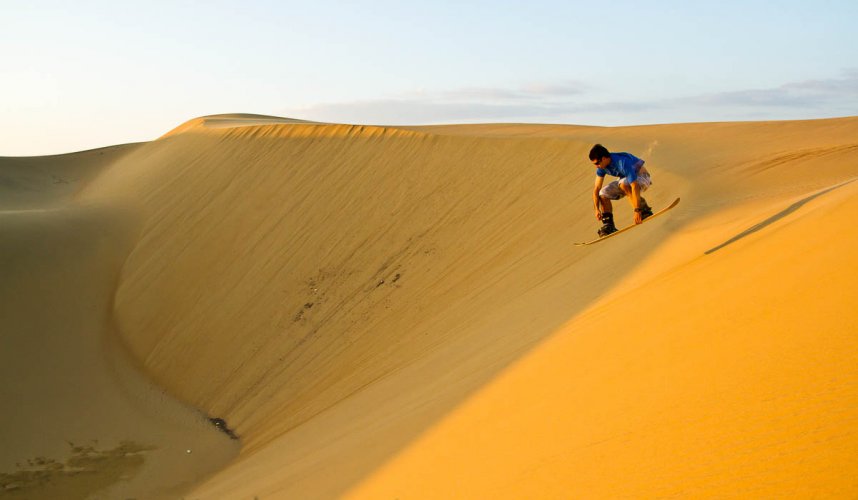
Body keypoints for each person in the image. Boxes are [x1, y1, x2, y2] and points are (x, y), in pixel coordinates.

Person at [589, 144, 654, 236]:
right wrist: (597, 209)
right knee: (602, 193)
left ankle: (644, 209)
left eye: (597, 163)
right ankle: (609, 225)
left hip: (642, 178)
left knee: (623, 184)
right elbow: (596, 189)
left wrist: (637, 210)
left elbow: (634, 185)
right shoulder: (602, 167)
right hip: (624, 180)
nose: (596, 166)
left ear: (603, 158)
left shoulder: (622, 162)